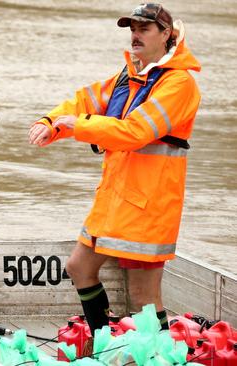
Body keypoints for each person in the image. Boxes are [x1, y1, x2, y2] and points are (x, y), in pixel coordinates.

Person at [28, 2, 200, 350]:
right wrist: (51, 123)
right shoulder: (129, 75)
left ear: (166, 35)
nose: (135, 35)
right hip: (115, 198)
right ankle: (104, 342)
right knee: (79, 267)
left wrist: (79, 128)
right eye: (132, 29)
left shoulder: (179, 84)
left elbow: (135, 132)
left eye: (144, 29)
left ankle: (155, 355)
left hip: (150, 204)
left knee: (144, 294)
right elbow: (84, 101)